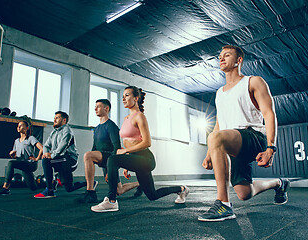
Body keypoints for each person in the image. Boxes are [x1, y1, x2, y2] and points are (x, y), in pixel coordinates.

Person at [198, 45, 290, 222]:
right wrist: (209, 153)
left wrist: (271, 148)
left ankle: (223, 204)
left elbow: (269, 114)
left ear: (239, 60)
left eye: (227, 55)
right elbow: (218, 125)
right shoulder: (219, 93)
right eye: (220, 56)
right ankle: (279, 183)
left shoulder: (253, 81)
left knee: (216, 137)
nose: (221, 58)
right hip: (232, 142)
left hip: (253, 137)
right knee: (244, 193)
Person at [91, 86, 189, 212]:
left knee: (112, 159)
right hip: (135, 158)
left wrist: (125, 152)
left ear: (136, 98)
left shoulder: (139, 117)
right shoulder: (126, 119)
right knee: (152, 195)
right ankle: (181, 189)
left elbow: (147, 142)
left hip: (145, 158)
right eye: (123, 96)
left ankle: (111, 201)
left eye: (127, 95)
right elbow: (128, 144)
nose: (123, 99)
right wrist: (126, 163)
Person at [78, 99, 142, 203]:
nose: (95, 109)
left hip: (110, 158)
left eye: (98, 106)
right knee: (119, 190)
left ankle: (90, 193)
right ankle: (140, 183)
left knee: (87, 155)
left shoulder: (111, 126)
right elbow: (94, 148)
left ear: (106, 108)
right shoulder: (97, 129)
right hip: (102, 159)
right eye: (95, 106)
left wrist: (110, 169)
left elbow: (116, 147)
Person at [34, 111, 86, 198]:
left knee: (46, 161)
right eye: (54, 118)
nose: (54, 119)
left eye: (57, 118)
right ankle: (89, 183)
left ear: (64, 120)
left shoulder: (67, 131)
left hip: (70, 160)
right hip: (60, 160)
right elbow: (46, 145)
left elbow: (62, 147)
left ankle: (50, 190)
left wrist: (51, 156)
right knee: (70, 188)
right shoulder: (54, 132)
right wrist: (46, 152)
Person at [0, 120, 43, 196]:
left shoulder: (30, 138)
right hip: (22, 164)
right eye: (18, 126)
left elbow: (41, 148)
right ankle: (48, 185)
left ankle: (5, 188)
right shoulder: (16, 141)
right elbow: (16, 156)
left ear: (26, 128)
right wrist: (12, 155)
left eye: (21, 125)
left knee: (11, 163)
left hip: (30, 164)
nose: (19, 127)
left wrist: (37, 159)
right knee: (33, 188)